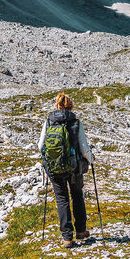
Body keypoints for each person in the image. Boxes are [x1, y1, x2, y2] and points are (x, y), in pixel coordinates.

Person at [38, 92, 94, 247]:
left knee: (62, 199)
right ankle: (81, 231)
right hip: (74, 168)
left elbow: (40, 145)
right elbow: (84, 148)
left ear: (56, 106)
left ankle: (67, 238)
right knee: (77, 195)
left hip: (55, 168)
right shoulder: (76, 123)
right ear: (71, 106)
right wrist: (91, 159)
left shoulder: (49, 122)